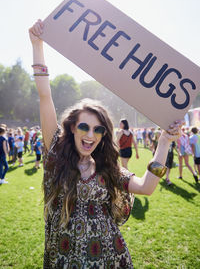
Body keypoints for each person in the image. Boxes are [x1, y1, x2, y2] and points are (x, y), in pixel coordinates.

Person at [29, 19, 183, 268]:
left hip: (110, 256)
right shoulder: (55, 153)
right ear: (71, 127)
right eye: (84, 126)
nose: (90, 135)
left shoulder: (107, 167)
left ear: (103, 134)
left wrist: (164, 142)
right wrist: (37, 45)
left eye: (97, 129)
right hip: (65, 258)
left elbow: (146, 187)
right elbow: (45, 96)